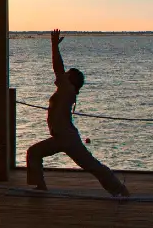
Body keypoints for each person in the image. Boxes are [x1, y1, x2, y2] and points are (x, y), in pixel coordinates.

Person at [26, 29, 130, 197]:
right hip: (61, 138)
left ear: (71, 80)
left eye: (67, 75)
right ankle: (40, 186)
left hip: (67, 138)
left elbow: (58, 68)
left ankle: (120, 190)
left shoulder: (67, 90)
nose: (63, 75)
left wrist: (54, 47)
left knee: (92, 166)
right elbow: (60, 71)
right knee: (34, 153)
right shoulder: (65, 90)